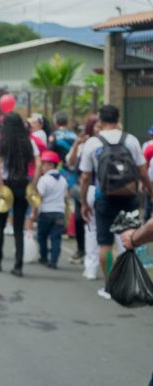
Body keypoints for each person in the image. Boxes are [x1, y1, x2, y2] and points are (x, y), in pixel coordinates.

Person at [79, 105, 152, 297]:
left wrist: (84, 202)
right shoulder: (131, 140)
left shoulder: (93, 143)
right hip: (129, 198)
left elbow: (85, 177)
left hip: (104, 198)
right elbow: (143, 172)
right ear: (118, 119)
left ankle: (110, 287)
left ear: (100, 120)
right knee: (132, 240)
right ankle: (132, 283)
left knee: (105, 244)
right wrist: (151, 192)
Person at [0, 112, 41, 277]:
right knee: (19, 227)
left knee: (0, 224)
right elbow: (38, 164)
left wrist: (1, 186)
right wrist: (33, 184)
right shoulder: (28, 142)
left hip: (6, 184)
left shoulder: (3, 143)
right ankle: (18, 265)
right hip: (22, 184)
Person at [65, 117, 97, 268]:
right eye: (96, 126)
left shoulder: (107, 142)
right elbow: (70, 163)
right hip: (83, 188)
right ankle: (82, 250)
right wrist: (77, 144)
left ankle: (95, 254)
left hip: (101, 187)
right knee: (79, 219)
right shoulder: (83, 145)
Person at [30, 150, 68, 268]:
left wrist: (34, 213)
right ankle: (54, 261)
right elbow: (66, 197)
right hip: (60, 213)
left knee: (42, 236)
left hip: (46, 213)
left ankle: (44, 257)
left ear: (51, 165)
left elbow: (38, 198)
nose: (42, 166)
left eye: (44, 164)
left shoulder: (44, 179)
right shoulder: (63, 180)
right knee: (56, 238)